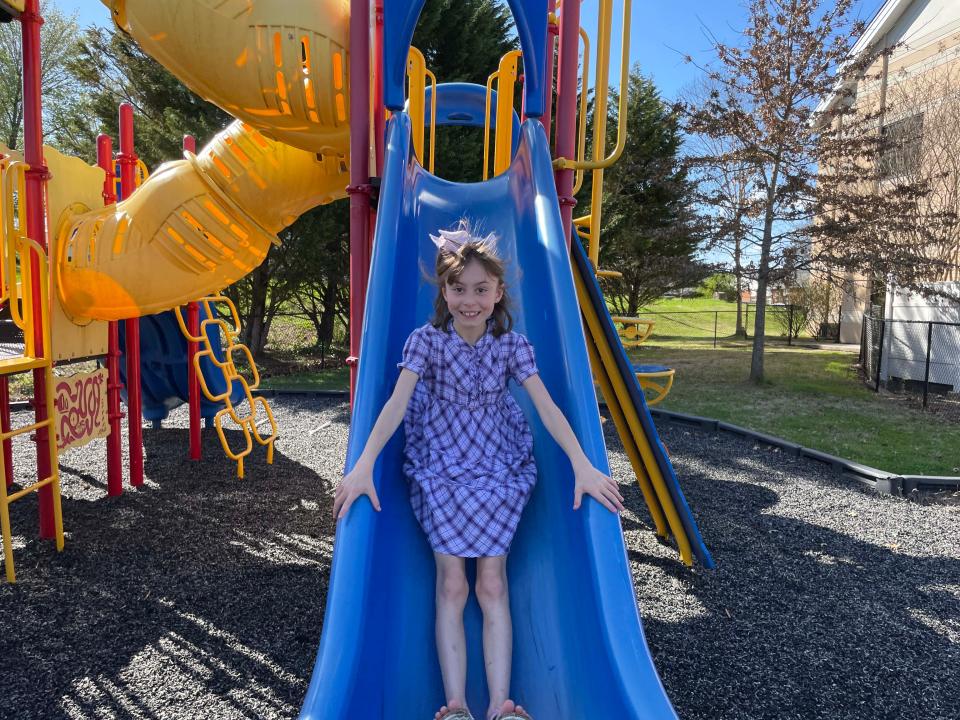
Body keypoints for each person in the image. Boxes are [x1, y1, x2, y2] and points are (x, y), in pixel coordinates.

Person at [333, 221, 625, 720]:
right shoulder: (424, 342)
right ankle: (456, 706)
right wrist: (362, 466)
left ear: (498, 292)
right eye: (458, 288)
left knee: (491, 583)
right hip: (441, 463)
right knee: (452, 584)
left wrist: (582, 464)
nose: (470, 301)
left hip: (496, 462)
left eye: (481, 289)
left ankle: (500, 707)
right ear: (443, 291)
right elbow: (396, 406)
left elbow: (547, 405)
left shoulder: (513, 346)